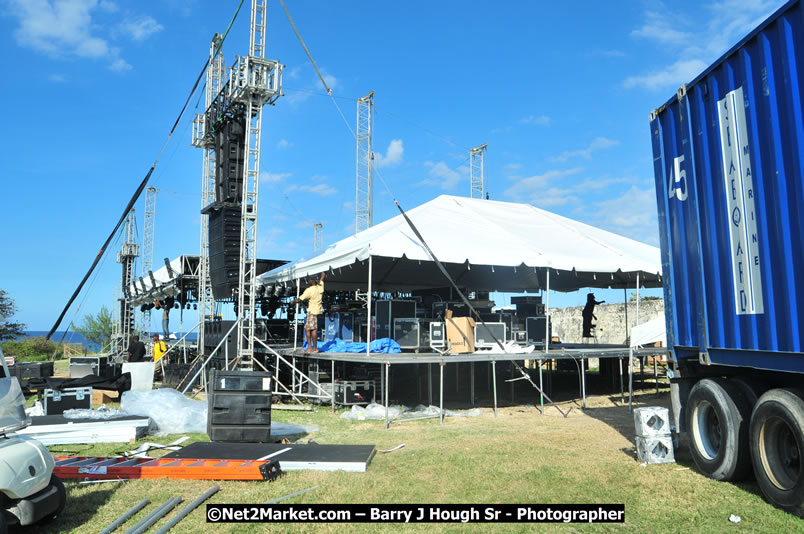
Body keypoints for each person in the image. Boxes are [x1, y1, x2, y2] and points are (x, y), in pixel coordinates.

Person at [289, 272, 326, 353]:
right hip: (318, 310)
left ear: (312, 281)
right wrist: (324, 271)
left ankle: (311, 348)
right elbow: (322, 278)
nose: (308, 281)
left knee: (310, 329)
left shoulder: (309, 290)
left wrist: (293, 302)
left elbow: (300, 299)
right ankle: (313, 347)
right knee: (311, 328)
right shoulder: (320, 287)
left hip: (312, 311)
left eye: (309, 280)